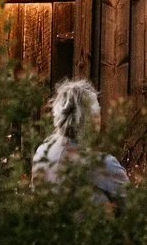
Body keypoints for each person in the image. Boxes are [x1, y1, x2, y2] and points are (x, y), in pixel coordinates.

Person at [32, 78, 129, 206]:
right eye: (97, 114)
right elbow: (134, 206)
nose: (100, 120)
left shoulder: (42, 152)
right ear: (89, 120)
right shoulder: (102, 164)